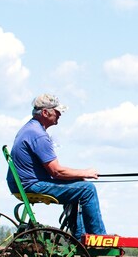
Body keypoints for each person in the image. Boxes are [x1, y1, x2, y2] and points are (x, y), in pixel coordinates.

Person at [7, 93, 107, 237]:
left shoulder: (29, 129)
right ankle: (100, 238)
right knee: (88, 189)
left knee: (77, 185)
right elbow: (56, 172)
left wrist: (76, 177)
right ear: (45, 112)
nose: (60, 114)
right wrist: (85, 172)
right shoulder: (38, 135)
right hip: (31, 184)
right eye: (57, 111)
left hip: (21, 184)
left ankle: (80, 237)